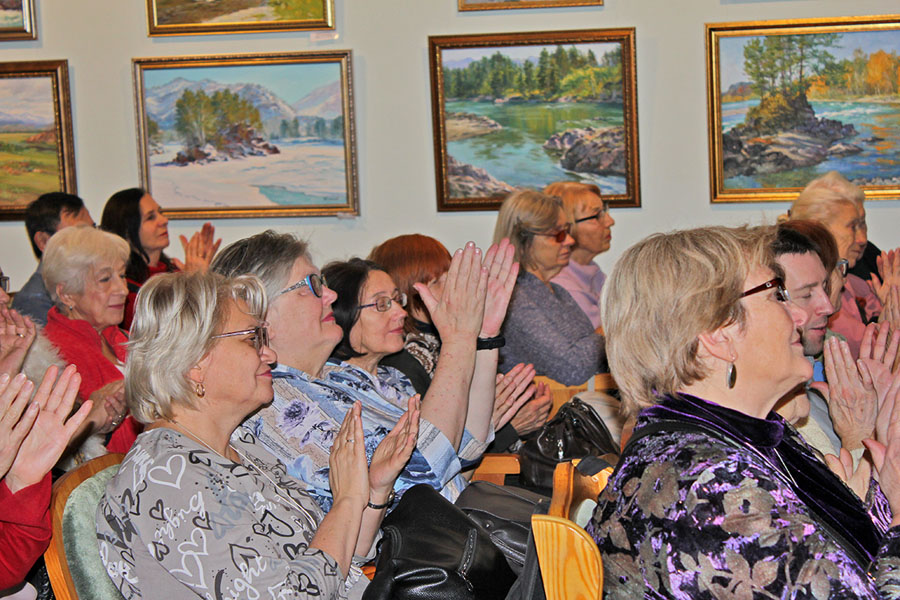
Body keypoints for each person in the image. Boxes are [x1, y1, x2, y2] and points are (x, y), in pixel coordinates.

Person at [588, 224, 900, 598]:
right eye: (778, 295)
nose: (800, 317)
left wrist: (880, 494)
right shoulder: (709, 489)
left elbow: (847, 563)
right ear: (718, 334)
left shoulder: (744, 439)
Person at [96, 271, 418, 599]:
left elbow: (335, 564)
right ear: (195, 362)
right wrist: (347, 501)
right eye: (253, 339)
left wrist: (373, 490)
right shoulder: (167, 477)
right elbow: (296, 595)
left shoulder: (239, 444)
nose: (270, 355)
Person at [212, 231, 512, 510]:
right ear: (261, 313)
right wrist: (459, 338)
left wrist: (485, 337)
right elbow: (422, 473)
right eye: (313, 285)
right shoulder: (272, 403)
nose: (330, 295)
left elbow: (460, 452)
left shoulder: (343, 375)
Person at [372, 234, 551, 451]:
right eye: (436, 282)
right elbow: (434, 454)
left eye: (450, 276)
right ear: (405, 294)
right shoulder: (402, 363)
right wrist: (511, 429)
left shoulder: (457, 337)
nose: (451, 288)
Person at [493, 189, 606, 385]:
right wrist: (607, 331)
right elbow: (573, 368)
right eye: (558, 235)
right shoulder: (514, 301)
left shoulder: (557, 291)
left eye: (567, 231)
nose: (570, 241)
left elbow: (592, 357)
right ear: (524, 241)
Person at [41, 226, 134, 455]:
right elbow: (63, 455)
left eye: (122, 275)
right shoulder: (53, 359)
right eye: (105, 279)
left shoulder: (123, 337)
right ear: (66, 294)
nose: (123, 290)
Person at [786, 171, 900, 358]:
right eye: (853, 226)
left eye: (863, 224)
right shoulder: (823, 290)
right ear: (819, 228)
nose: (862, 239)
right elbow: (868, 356)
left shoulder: (865, 265)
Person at [100, 188, 220, 331]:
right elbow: (169, 333)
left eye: (160, 213)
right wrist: (193, 284)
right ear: (127, 231)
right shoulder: (124, 289)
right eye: (150, 217)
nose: (164, 220)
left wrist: (202, 279)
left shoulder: (177, 272)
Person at [12, 193, 95, 326]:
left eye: (93, 230)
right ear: (43, 241)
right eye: (78, 234)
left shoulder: (94, 283)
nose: (93, 240)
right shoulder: (34, 300)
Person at [545, 182, 615, 330]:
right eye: (596, 216)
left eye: (605, 211)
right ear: (566, 227)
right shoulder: (562, 287)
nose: (610, 221)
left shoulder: (592, 272)